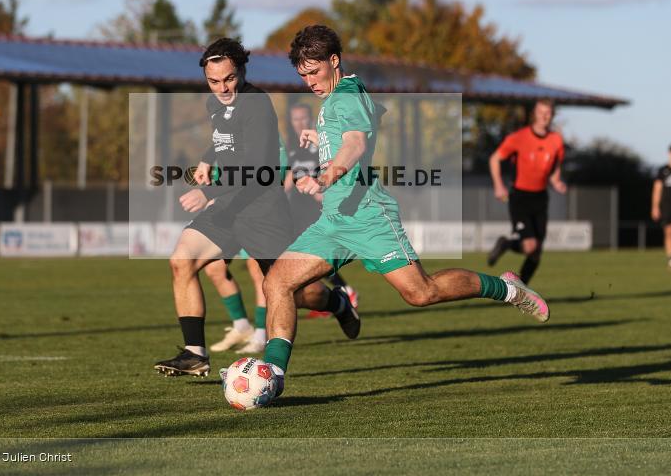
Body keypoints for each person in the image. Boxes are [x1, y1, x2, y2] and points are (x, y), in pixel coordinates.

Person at [234, 25, 550, 402]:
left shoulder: (346, 96)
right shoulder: (342, 93)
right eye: (303, 75)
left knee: (421, 293)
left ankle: (508, 288)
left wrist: (326, 174)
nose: (309, 82)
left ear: (334, 61)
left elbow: (356, 143)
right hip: (334, 221)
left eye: (314, 72)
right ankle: (273, 375)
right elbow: (354, 133)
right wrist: (323, 143)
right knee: (277, 283)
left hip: (369, 217)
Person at [154, 38, 357, 377]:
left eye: (230, 79)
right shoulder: (215, 104)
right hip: (228, 207)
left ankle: (336, 302)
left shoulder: (257, 104)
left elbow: (256, 165)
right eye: (214, 81)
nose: (223, 88)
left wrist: (208, 192)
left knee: (295, 290)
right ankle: (194, 353)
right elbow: (222, 140)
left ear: (243, 71)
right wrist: (207, 160)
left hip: (262, 210)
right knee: (182, 260)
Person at [284, 103, 358, 317]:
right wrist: (278, 197)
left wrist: (325, 192)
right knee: (307, 255)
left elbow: (337, 168)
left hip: (315, 207)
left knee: (314, 254)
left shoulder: (322, 144)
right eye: (295, 119)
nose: (300, 123)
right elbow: (291, 175)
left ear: (311, 119)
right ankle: (323, 296)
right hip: (297, 208)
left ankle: (345, 292)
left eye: (304, 118)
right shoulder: (295, 147)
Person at [486, 99, 567, 284]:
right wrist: (498, 185)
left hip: (540, 197)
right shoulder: (519, 138)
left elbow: (555, 166)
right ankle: (506, 243)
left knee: (537, 251)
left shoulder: (556, 140)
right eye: (541, 112)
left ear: (552, 115)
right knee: (530, 246)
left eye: (548, 113)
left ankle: (521, 289)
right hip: (520, 197)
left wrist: (556, 181)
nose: (544, 116)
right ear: (534, 114)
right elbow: (494, 159)